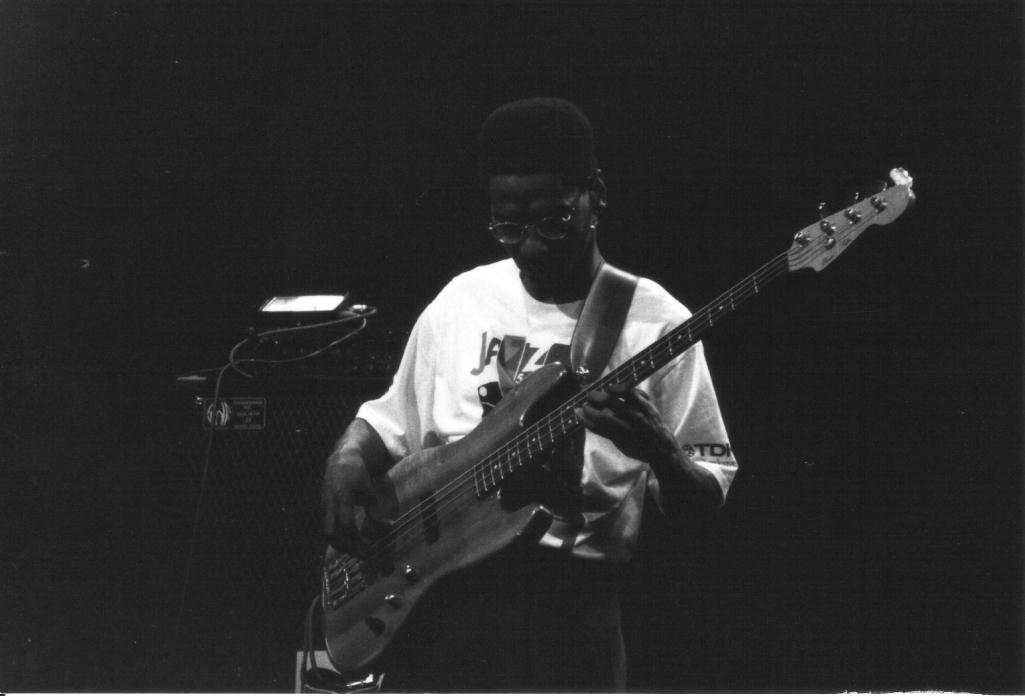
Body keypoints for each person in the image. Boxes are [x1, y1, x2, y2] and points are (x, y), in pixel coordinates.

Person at [321, 97, 738, 692]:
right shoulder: (462, 300)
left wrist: (661, 452)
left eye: (553, 221)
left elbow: (706, 503)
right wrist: (344, 459)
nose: (532, 247)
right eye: (509, 227)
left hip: (569, 617)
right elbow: (386, 424)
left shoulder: (657, 323)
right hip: (438, 609)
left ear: (596, 194)